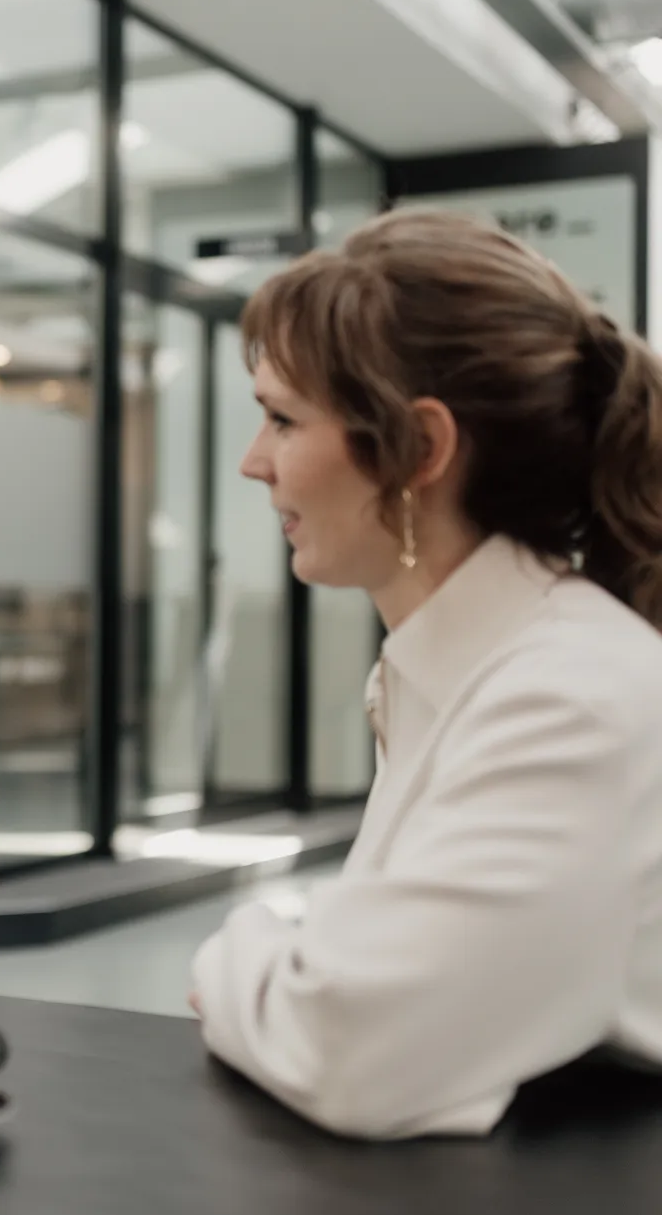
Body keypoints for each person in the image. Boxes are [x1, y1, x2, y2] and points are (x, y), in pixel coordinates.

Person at [190, 208, 662, 1139]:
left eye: (283, 420)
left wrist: (246, 942)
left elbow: (346, 1049)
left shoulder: (572, 695)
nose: (255, 464)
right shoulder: (452, 671)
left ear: (421, 449)